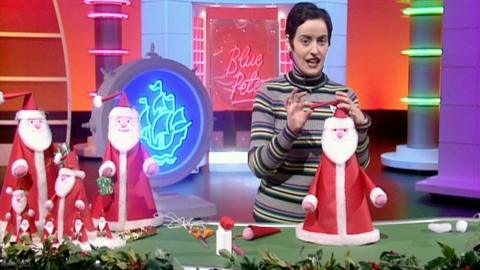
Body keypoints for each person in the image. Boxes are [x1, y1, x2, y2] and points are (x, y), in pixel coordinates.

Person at [248, 2, 371, 223]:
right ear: (289, 43)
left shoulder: (345, 96)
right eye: (305, 41)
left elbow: (359, 169)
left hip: (326, 223)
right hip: (275, 222)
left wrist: (361, 126)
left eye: (321, 41)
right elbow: (258, 167)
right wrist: (289, 131)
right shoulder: (269, 93)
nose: (315, 50)